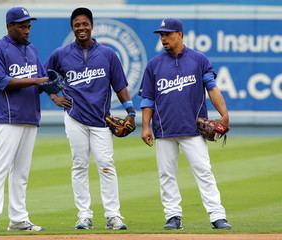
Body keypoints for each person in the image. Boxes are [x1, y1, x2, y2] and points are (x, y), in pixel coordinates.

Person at [45, 7, 135, 230]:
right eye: (77, 24)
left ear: (91, 26)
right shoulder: (61, 54)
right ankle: (84, 215)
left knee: (106, 164)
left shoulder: (108, 54)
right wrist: (53, 96)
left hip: (101, 120)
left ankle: (113, 215)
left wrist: (131, 112)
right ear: (72, 28)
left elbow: (120, 85)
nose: (81, 27)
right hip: (74, 117)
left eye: (85, 23)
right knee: (79, 164)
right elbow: (45, 76)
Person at [139, 18, 232, 230]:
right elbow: (147, 100)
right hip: (164, 129)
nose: (163, 38)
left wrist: (223, 114)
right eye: (161, 35)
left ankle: (217, 215)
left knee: (204, 171)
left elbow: (212, 87)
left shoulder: (199, 60)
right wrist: (145, 126)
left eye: (168, 34)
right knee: (166, 174)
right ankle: (173, 216)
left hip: (193, 129)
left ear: (180, 35)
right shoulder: (154, 65)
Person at [0, 6, 49, 233]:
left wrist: (53, 91)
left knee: (21, 172)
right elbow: (3, 81)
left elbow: (40, 83)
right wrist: (38, 81)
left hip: (29, 117)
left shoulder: (32, 51)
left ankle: (18, 218)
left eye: (28, 26)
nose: (27, 30)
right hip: (6, 117)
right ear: (9, 26)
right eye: (22, 26)